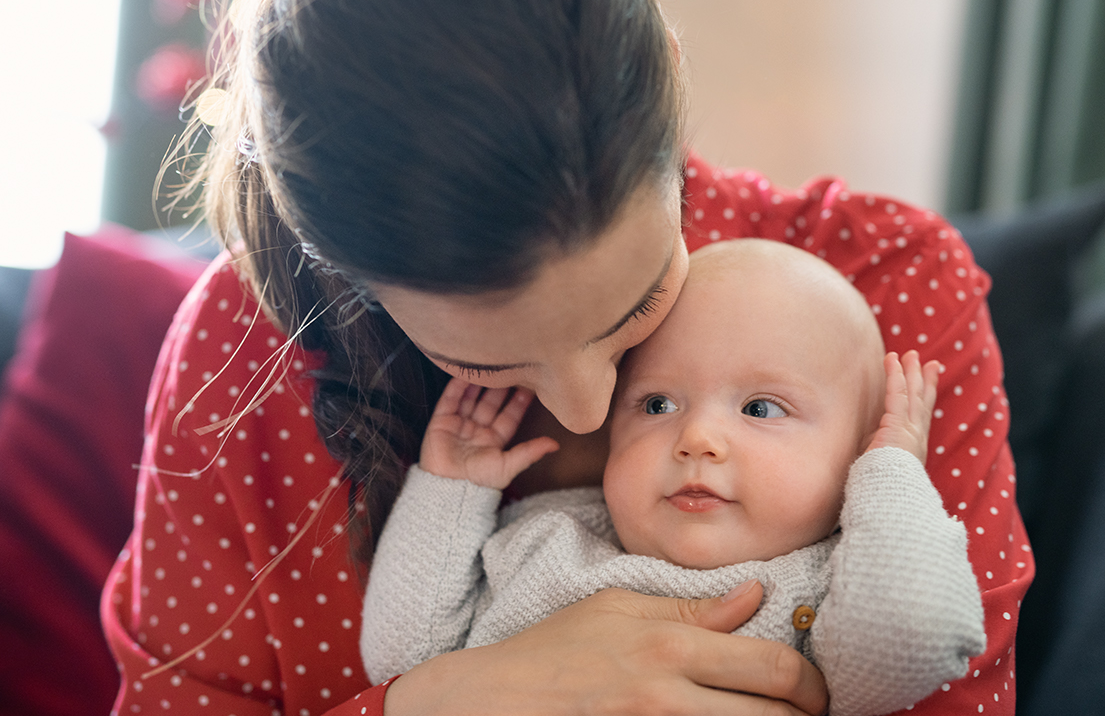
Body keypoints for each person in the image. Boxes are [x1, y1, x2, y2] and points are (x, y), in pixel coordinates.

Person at [100, 0, 1033, 714]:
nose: (589, 410)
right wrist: (447, 700)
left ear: (673, 82)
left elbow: (934, 668)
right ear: (349, 278)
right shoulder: (246, 350)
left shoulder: (878, 281)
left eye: (640, 305)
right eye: (483, 361)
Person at [360, 239, 986, 716]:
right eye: (657, 405)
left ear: (857, 453)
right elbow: (406, 662)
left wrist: (892, 469)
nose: (697, 438)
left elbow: (910, 641)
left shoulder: (832, 590)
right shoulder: (548, 536)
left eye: (761, 409)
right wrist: (453, 491)